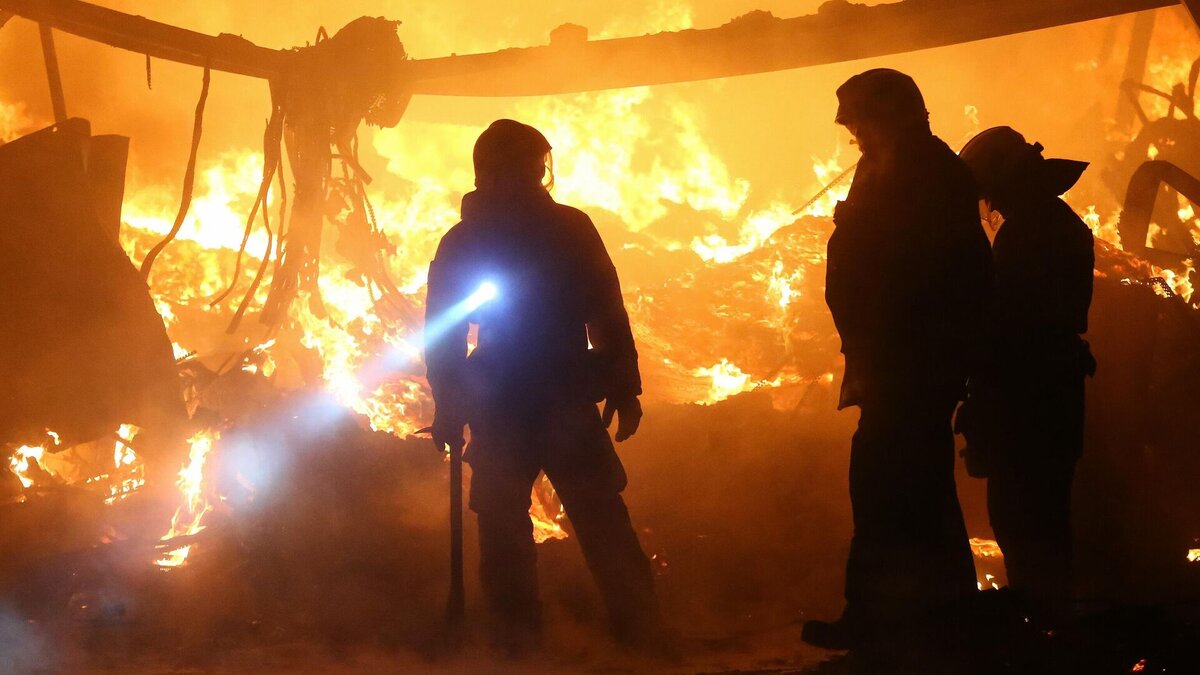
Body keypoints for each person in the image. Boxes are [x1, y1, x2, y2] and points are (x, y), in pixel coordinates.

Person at [423, 119, 666, 657]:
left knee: (569, 519)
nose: (534, 177)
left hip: (530, 396)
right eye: (526, 167)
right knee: (546, 522)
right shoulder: (537, 232)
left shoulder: (517, 233)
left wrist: (624, 387)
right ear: (497, 173)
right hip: (535, 395)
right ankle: (536, 644)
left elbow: (606, 310)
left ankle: (553, 643)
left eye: (537, 167)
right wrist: (449, 403)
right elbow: (445, 332)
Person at [802, 69, 992, 651]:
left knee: (888, 485)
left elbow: (940, 275)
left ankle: (888, 618)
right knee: (909, 484)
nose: (854, 135)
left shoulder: (927, 174)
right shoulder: (892, 168)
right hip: (892, 360)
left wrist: (908, 348)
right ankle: (937, 615)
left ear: (887, 116)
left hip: (911, 362)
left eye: (859, 122)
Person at [957, 127, 1095, 625]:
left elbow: (1007, 326)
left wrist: (981, 401)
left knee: (1020, 513)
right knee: (1046, 514)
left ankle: (1041, 621)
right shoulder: (1060, 223)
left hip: (1027, 396)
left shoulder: (1027, 233)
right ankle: (1051, 619)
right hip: (1055, 389)